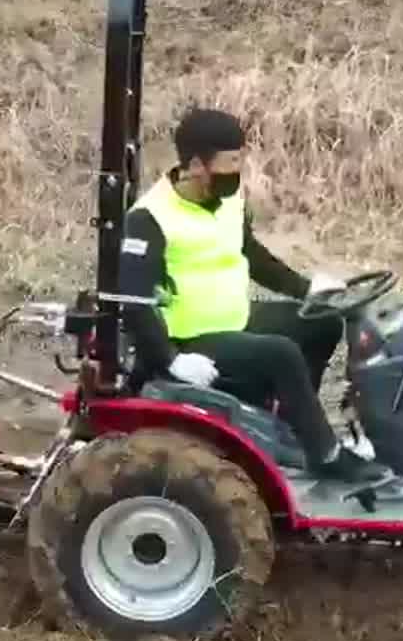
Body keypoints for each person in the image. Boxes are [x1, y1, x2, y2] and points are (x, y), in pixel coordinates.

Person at [117, 107, 387, 487]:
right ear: (197, 164)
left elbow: (249, 253)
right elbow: (134, 302)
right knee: (281, 353)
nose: (238, 170)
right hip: (191, 337)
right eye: (230, 162)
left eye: (241, 159)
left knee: (321, 321)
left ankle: (288, 428)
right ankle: (325, 454)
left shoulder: (228, 198)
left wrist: (307, 288)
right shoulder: (150, 217)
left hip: (234, 319)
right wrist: (172, 360)